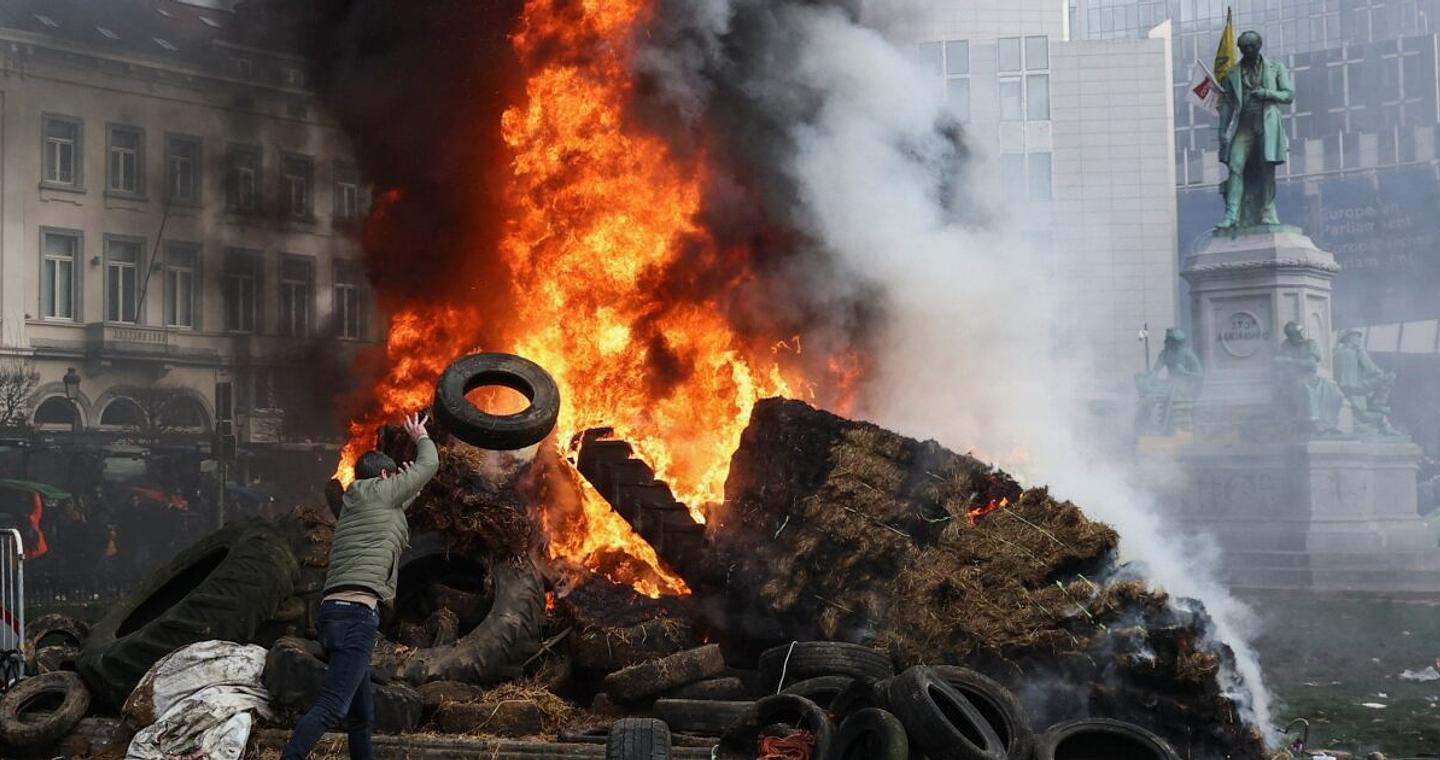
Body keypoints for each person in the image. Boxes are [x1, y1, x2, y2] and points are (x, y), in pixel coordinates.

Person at [281, 412, 438, 760]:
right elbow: (429, 465)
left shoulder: (357, 501)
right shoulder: (380, 494)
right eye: (393, 479)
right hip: (356, 616)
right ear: (383, 477)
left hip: (333, 613)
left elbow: (404, 498)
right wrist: (421, 437)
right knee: (332, 706)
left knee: (360, 715)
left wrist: (409, 483)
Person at [1216, 30, 1294, 229]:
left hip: (1267, 123)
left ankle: (1267, 210)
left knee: (1266, 168)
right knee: (1235, 165)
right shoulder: (1233, 73)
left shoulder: (1276, 67)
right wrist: (1222, 130)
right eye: (1244, 47)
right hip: (1244, 125)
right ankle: (1232, 215)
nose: (1248, 50)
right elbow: (1227, 104)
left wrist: (1267, 93)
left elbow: (1288, 95)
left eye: (1252, 46)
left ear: (1259, 46)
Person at [1275, 321, 1343, 434]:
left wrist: (1289, 361)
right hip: (1294, 379)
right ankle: (1313, 423)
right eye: (1294, 334)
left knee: (1336, 392)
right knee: (1306, 389)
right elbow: (1278, 365)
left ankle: (1329, 424)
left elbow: (1311, 365)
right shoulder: (1284, 346)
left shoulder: (1310, 344)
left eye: (1299, 332)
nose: (1298, 335)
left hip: (1312, 377)